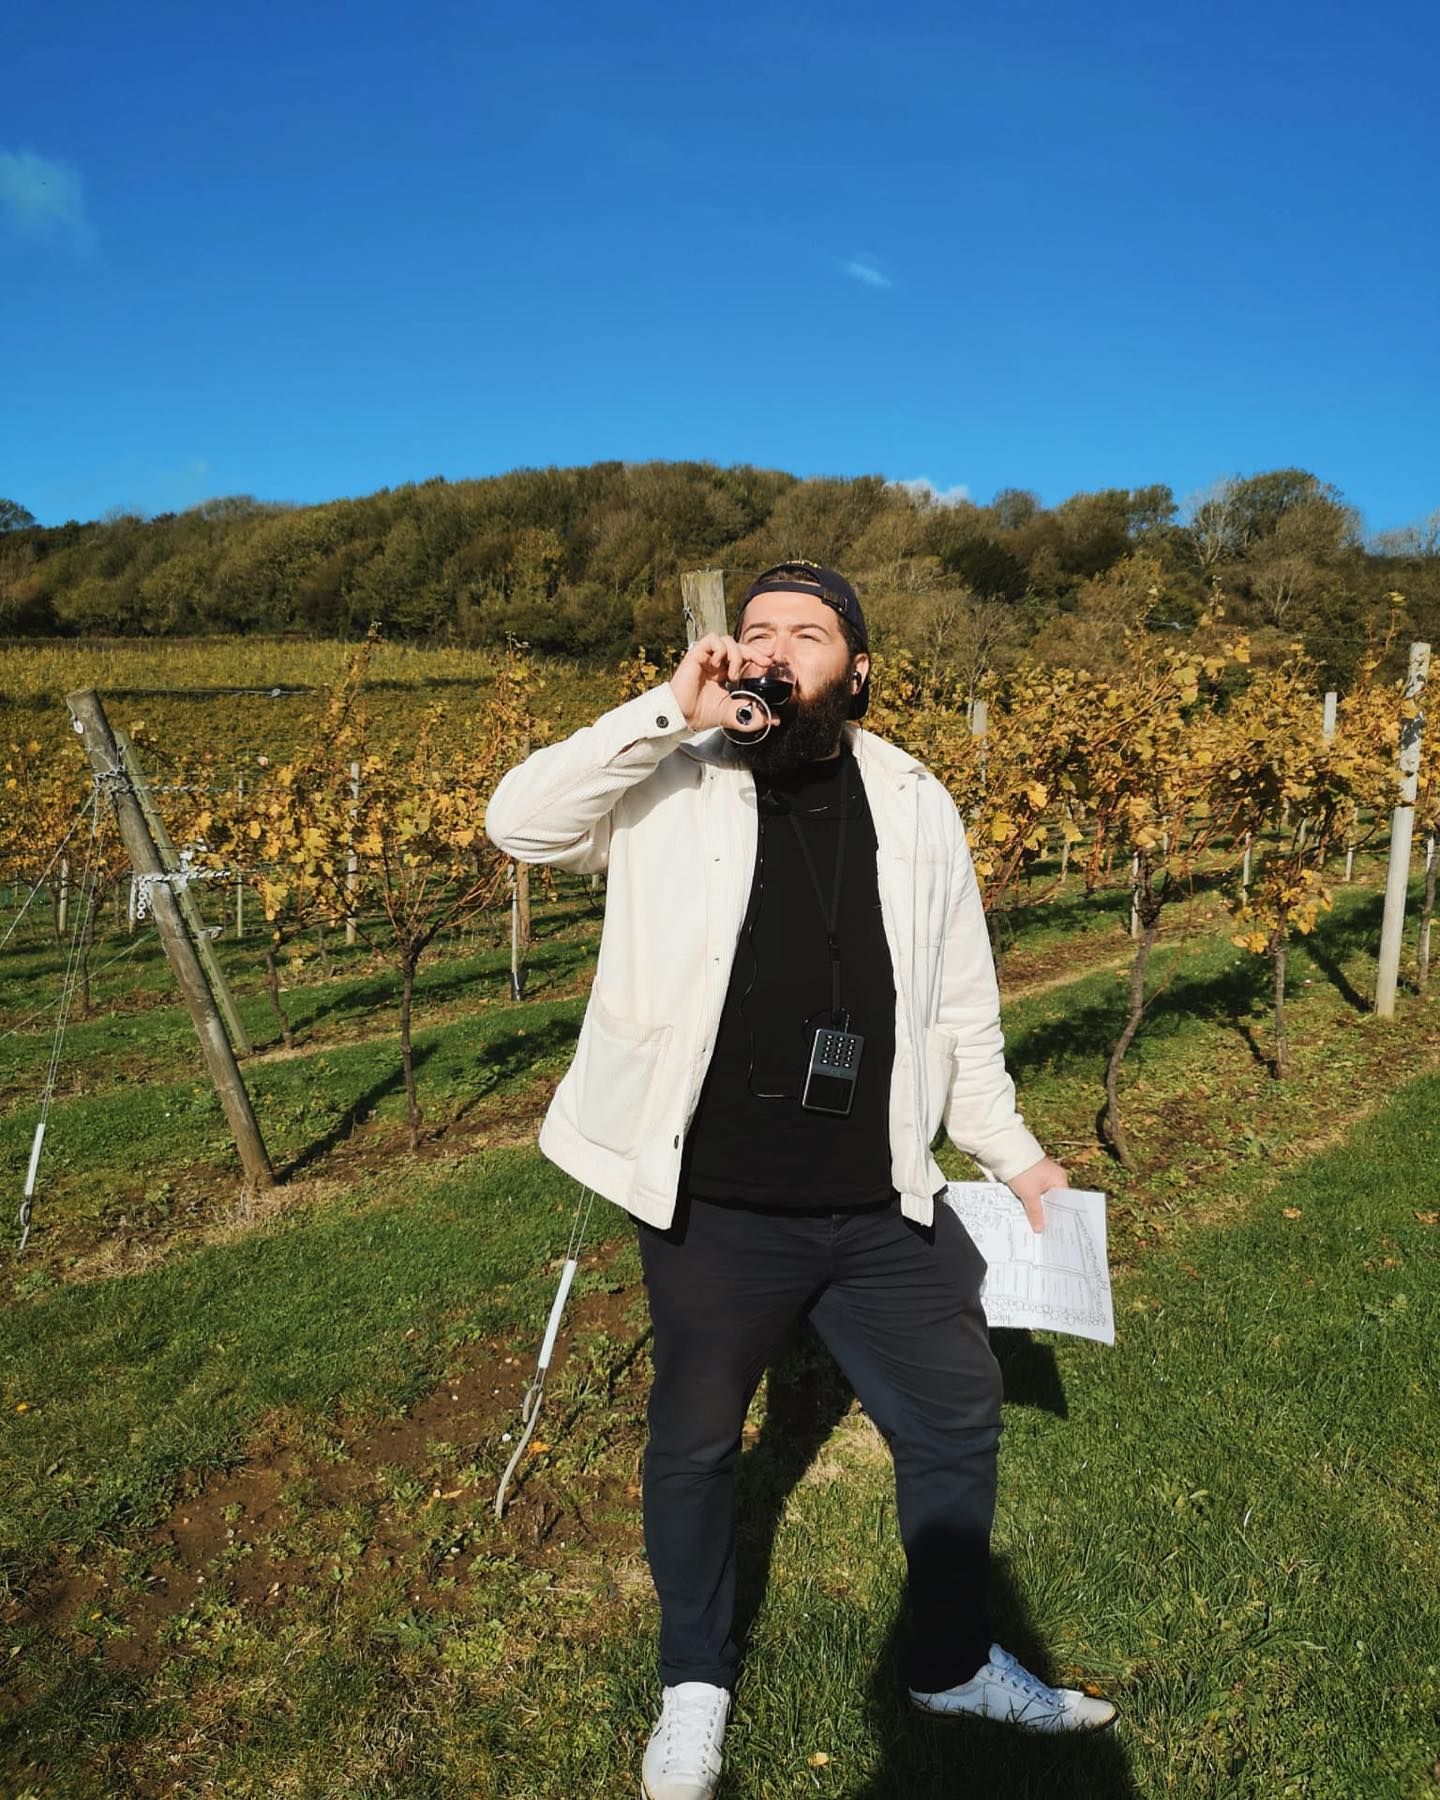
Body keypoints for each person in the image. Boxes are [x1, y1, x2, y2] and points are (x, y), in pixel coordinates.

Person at [485, 561, 1116, 1800]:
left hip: (881, 1196)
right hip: (711, 1202)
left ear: (857, 668)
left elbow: (958, 1012)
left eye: (806, 633)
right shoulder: (673, 766)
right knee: (699, 1441)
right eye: (754, 630)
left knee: (953, 1412)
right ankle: (694, 1682)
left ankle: (947, 1660)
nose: (772, 648)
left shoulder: (920, 800)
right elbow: (521, 823)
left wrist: (1019, 1156)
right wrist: (669, 709)